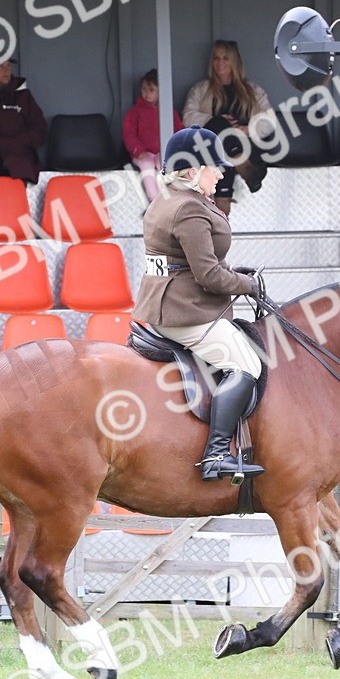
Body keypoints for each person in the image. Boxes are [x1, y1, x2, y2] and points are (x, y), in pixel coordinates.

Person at [134, 126, 265, 482]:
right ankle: (216, 455)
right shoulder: (188, 210)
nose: (221, 174)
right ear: (192, 171)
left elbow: (189, 262)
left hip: (168, 300)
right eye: (214, 167)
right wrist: (248, 285)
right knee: (247, 364)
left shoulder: (167, 199)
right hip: (183, 311)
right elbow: (208, 277)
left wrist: (231, 273)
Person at [182, 40, 275, 216]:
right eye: (216, 58)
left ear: (234, 61)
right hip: (209, 149)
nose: (220, 62)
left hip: (243, 146)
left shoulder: (252, 90)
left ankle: (222, 209)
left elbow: (270, 121)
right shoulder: (202, 89)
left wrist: (246, 130)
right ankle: (243, 166)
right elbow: (187, 116)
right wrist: (214, 120)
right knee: (219, 126)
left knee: (225, 154)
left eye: (226, 58)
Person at [123, 69, 183, 203]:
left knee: (165, 165)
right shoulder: (135, 112)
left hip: (161, 152)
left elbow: (179, 132)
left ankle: (168, 200)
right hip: (142, 154)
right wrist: (138, 150)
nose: (146, 93)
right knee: (147, 166)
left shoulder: (169, 111)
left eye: (151, 90)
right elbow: (129, 134)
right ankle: (154, 200)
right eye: (144, 89)